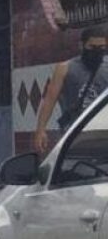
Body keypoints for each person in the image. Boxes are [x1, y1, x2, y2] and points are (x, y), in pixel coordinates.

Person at [35, 27, 108, 155]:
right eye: (92, 47)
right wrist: (41, 130)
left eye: (101, 47)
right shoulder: (65, 68)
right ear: (82, 45)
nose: (97, 51)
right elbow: (50, 100)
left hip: (102, 131)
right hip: (75, 133)